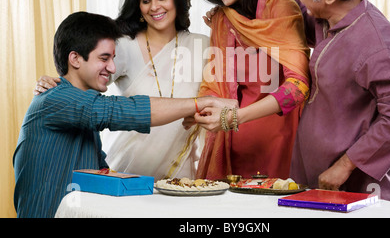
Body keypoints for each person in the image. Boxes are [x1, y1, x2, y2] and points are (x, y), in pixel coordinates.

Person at [244, 0, 390, 205]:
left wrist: (346, 165)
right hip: (319, 175)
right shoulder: (328, 16)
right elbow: (295, 7)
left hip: (363, 187)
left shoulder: (378, 44)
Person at [13, 12, 234, 218]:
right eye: (104, 58)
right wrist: (201, 103)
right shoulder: (55, 99)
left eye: (113, 58)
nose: (112, 68)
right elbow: (123, 111)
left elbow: (103, 176)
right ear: (75, 59)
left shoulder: (80, 107)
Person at [34, 0, 210, 180]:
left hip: (180, 171)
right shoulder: (123, 46)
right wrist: (54, 84)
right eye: (146, 0)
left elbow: (223, 95)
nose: (154, 7)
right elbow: (82, 84)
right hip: (130, 169)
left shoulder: (202, 45)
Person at [187, 0, 310, 180]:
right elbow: (214, 83)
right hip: (231, 142)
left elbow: (298, 86)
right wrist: (201, 110)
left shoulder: (281, 4)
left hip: (281, 141)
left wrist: (235, 117)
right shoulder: (222, 18)